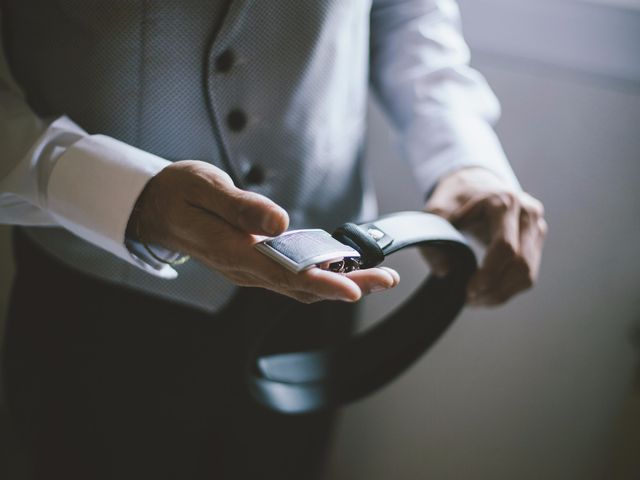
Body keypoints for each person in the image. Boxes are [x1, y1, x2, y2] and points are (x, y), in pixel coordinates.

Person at [0, 1, 547, 479]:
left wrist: (464, 156)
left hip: (327, 291)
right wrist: (131, 196)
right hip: (99, 297)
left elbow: (405, 12)